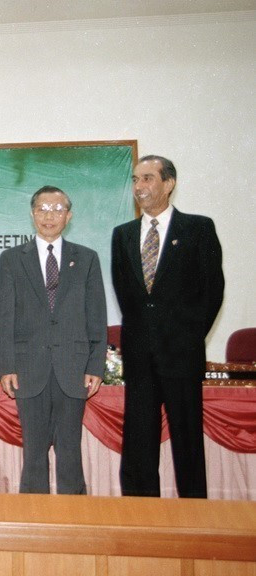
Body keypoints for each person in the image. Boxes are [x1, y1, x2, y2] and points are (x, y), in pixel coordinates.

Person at [112, 155, 224, 498]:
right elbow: (125, 293)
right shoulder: (123, 234)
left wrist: (188, 337)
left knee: (187, 442)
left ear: (169, 183)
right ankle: (140, 513)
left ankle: (194, 514)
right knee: (139, 442)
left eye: (147, 178)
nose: (139, 187)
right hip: (140, 357)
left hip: (182, 354)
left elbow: (213, 291)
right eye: (135, 180)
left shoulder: (198, 228)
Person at [0, 185, 107, 494]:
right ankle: (33, 523)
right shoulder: (11, 259)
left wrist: (95, 366)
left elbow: (96, 316)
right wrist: (6, 366)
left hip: (73, 369)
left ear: (68, 216)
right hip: (29, 370)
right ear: (32, 214)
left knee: (70, 453)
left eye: (58, 210)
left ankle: (74, 527)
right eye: (43, 209)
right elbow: (3, 317)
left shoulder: (86, 259)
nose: (50, 216)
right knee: (33, 454)